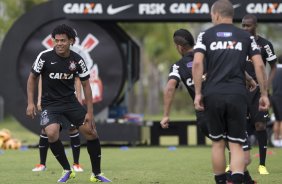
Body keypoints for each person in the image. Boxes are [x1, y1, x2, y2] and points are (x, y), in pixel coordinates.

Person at [192, 0, 269, 183]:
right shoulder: (246, 37)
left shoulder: (205, 35)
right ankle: (235, 180)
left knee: (218, 143)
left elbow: (196, 63)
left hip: (213, 94)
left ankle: (220, 181)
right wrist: (264, 94)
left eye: (211, 15)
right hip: (237, 95)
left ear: (216, 14)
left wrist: (197, 94)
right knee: (236, 144)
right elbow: (259, 64)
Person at [26, 24, 111, 183]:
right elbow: (32, 78)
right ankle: (67, 169)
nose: (59, 43)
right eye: (56, 40)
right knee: (51, 133)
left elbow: (86, 85)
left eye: (63, 40)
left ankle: (96, 174)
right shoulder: (44, 57)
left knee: (91, 132)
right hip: (50, 105)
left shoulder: (78, 60)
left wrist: (90, 113)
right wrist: (31, 103)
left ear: (71, 41)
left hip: (70, 103)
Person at [242, 14, 277, 175]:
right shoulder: (238, 44)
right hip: (240, 91)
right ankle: (233, 163)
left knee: (260, 126)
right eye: (243, 25)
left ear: (255, 26)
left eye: (248, 26)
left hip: (258, 93)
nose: (245, 28)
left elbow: (274, 67)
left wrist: (266, 87)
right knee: (235, 127)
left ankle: (262, 165)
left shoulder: (265, 45)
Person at [32, 76, 83, 172]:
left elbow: (77, 79)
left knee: (73, 128)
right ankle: (42, 164)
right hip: (50, 101)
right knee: (46, 129)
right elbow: (42, 78)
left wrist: (79, 100)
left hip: (68, 101)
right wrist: (39, 99)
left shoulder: (71, 61)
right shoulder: (46, 61)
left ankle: (76, 164)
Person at [271, 55, 282, 147]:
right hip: (280, 97)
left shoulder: (274, 70)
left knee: (277, 119)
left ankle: (276, 140)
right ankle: (280, 139)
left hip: (274, 97)